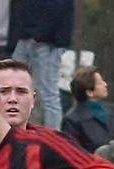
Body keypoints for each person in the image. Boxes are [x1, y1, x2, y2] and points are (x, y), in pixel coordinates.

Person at [12, 0, 73, 129]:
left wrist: (41, 34)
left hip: (48, 42)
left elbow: (59, 9)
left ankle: (53, 138)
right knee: (12, 84)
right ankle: (16, 131)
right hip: (26, 37)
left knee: (48, 94)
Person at [61, 66, 114, 153]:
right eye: (100, 83)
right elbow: (71, 152)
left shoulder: (110, 110)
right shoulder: (72, 120)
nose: (105, 84)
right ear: (89, 92)